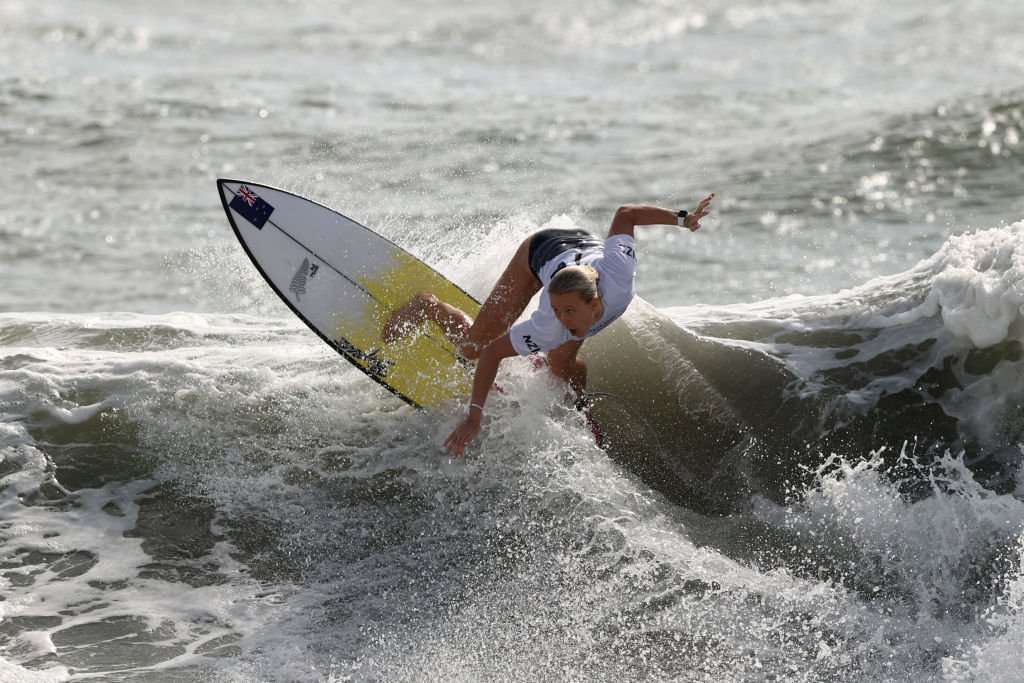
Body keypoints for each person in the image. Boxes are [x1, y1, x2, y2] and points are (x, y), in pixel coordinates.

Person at [381, 193, 715, 456]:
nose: (560, 320)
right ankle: (428, 307)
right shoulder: (549, 323)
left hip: (582, 248)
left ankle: (581, 410)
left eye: (568, 312)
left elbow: (627, 213)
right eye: (556, 311)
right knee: (473, 348)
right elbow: (492, 355)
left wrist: (683, 220)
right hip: (540, 251)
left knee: (563, 363)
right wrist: (474, 416)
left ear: (595, 303)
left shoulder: (618, 273)